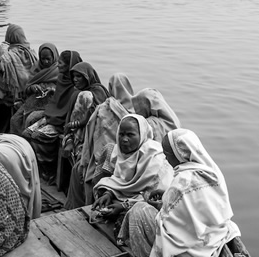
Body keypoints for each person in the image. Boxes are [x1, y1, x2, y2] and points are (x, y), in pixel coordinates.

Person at [111, 128, 240, 257]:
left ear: (178, 155)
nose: (166, 159)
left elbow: (167, 224)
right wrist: (166, 195)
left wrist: (158, 206)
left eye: (167, 155)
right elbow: (195, 207)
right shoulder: (211, 171)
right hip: (210, 247)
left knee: (138, 211)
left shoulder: (182, 180)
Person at [91, 115, 174, 227]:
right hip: (128, 196)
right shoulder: (119, 153)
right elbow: (119, 181)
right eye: (121, 134)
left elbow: (157, 197)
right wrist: (109, 193)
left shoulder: (155, 158)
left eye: (130, 135)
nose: (124, 139)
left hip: (149, 204)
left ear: (142, 135)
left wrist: (124, 206)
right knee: (101, 194)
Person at [67, 73, 135, 207]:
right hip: (126, 157)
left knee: (78, 171)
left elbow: (95, 137)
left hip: (104, 156)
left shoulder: (105, 109)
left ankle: (77, 206)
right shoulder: (135, 113)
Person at [21, 50, 83, 169]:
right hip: (53, 114)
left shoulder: (76, 85)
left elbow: (70, 108)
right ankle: (34, 164)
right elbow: (59, 100)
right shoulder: (61, 78)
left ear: (69, 66)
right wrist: (53, 91)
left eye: (61, 63)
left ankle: (48, 166)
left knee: (37, 136)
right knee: (26, 133)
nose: (58, 65)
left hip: (62, 120)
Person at [0, 131, 43, 219]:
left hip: (3, 153)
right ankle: (28, 216)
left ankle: (18, 221)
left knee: (11, 193)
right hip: (22, 143)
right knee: (29, 186)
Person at [60, 62, 109, 165]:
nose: (75, 79)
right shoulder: (76, 92)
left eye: (79, 76)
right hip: (80, 132)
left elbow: (94, 116)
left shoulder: (95, 92)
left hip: (93, 132)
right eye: (73, 77)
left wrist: (74, 124)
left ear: (87, 77)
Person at [9, 43, 60, 135]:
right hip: (32, 102)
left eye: (48, 59)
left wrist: (52, 89)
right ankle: (16, 141)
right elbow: (27, 88)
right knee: (15, 120)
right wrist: (33, 88)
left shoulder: (59, 71)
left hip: (49, 104)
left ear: (54, 56)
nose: (45, 62)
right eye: (43, 59)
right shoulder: (36, 68)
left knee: (30, 120)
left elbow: (63, 91)